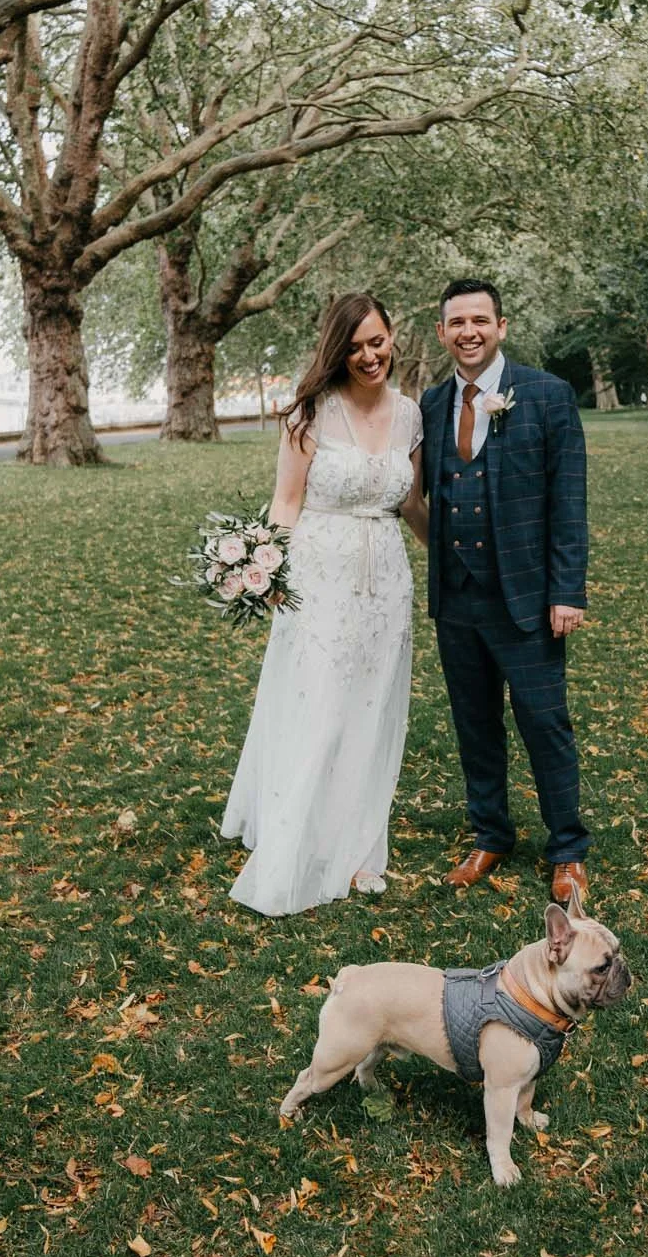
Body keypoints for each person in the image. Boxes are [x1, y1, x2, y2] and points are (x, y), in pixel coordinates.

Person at [225, 293, 427, 917]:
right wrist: (269, 568)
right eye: (357, 346)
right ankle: (296, 839)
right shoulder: (308, 415)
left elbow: (413, 505)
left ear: (393, 338)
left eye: (378, 341)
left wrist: (458, 557)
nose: (370, 356)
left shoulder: (412, 415)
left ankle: (361, 843)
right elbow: (286, 501)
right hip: (319, 574)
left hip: (386, 578)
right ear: (337, 351)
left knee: (371, 707)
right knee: (319, 705)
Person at [417, 279, 593, 905]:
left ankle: (567, 848)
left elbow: (567, 501)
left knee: (544, 722)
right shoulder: (433, 404)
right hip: (457, 598)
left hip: (527, 596)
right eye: (456, 322)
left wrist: (566, 590)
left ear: (501, 326)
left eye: (480, 320)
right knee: (474, 722)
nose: (468, 332)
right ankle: (491, 833)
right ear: (442, 333)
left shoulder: (547, 395)